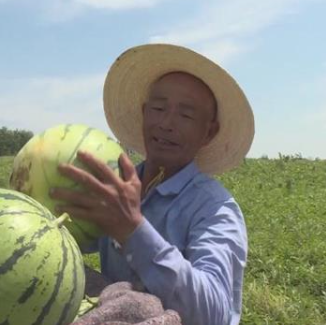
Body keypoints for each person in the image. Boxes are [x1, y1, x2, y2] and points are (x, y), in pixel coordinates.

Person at [50, 43, 255, 325]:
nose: (167, 123)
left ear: (209, 132)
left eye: (186, 115)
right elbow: (71, 235)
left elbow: (214, 313)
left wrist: (133, 230)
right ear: (145, 112)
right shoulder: (118, 185)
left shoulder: (215, 209)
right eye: (158, 108)